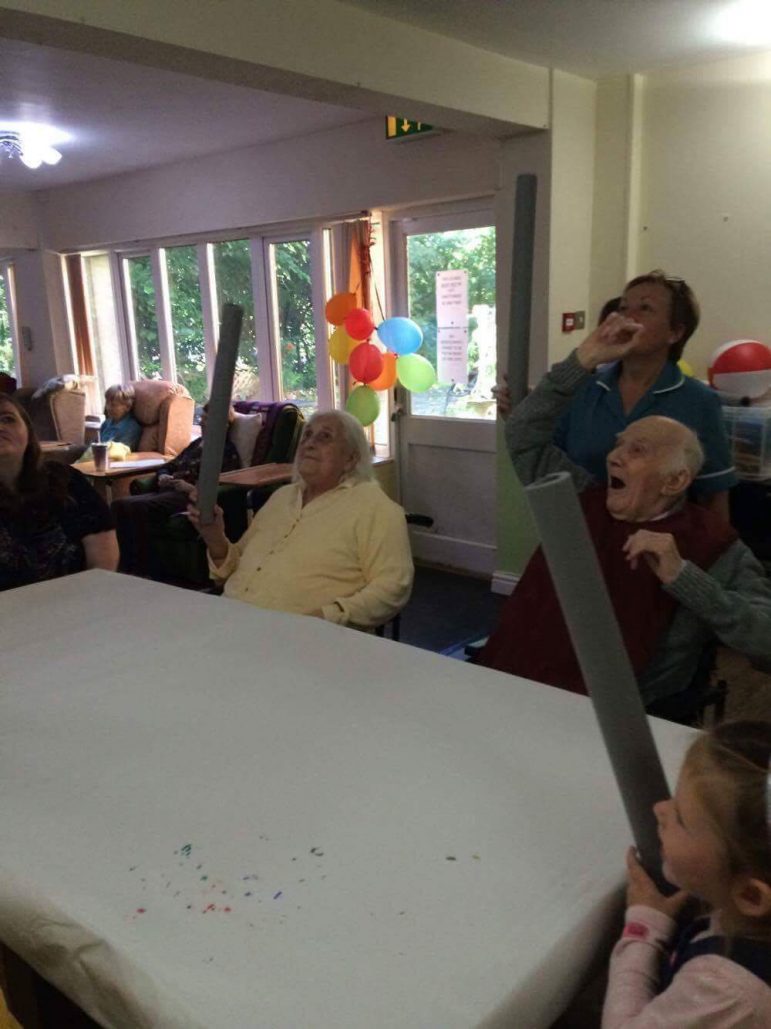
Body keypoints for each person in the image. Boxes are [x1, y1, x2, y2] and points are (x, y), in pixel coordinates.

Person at [479, 315, 771, 715]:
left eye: (638, 450)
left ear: (675, 480)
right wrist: (584, 358)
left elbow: (765, 637)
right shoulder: (580, 495)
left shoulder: (714, 546)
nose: (614, 455)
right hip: (521, 685)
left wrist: (684, 578)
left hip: (624, 714)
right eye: (620, 445)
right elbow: (523, 433)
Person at [495, 273, 736, 519]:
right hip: (584, 529)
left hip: (659, 542)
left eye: (645, 308)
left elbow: (714, 496)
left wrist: (712, 553)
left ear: (674, 332)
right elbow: (541, 451)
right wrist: (523, 414)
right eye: (623, 307)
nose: (627, 317)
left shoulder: (699, 401)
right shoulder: (584, 388)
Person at [602, 720, 771, 1026]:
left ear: (749, 894)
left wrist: (644, 927)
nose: (659, 809)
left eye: (680, 817)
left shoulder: (726, 992)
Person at [188, 410, 414, 629]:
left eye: (325, 437)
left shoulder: (375, 508)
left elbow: (393, 587)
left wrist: (328, 617)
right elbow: (230, 572)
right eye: (307, 435)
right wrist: (215, 536)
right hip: (230, 620)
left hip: (301, 642)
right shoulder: (282, 497)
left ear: (351, 459)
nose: (309, 443)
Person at [0, 395, 118, 590]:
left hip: (77, 602)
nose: (1, 427)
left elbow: (103, 555)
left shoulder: (66, 480)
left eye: (8, 419)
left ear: (28, 432)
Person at [112, 403, 240, 576]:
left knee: (134, 507)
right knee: (119, 505)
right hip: (169, 490)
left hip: (187, 498)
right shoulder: (197, 444)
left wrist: (190, 488)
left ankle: (139, 569)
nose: (201, 422)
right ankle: (124, 565)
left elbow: (224, 482)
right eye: (201, 418)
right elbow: (171, 465)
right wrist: (163, 476)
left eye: (206, 420)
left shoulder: (225, 451)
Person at [100, 383, 142, 450]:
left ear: (128, 407)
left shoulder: (132, 428)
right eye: (107, 403)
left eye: (114, 405)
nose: (108, 408)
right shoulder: (106, 423)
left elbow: (119, 451)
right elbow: (95, 444)